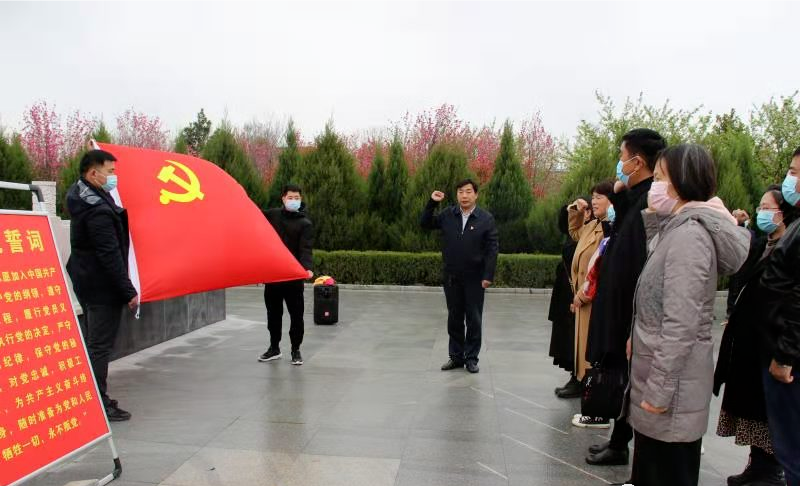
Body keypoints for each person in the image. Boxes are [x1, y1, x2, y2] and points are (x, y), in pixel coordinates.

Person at [627, 143, 749, 486]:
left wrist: (659, 390)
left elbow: (681, 323)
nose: (654, 185)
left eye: (660, 178)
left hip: (673, 392)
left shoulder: (690, 237)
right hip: (662, 377)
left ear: (681, 182)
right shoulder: (677, 229)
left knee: (666, 472)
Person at [584, 128, 667, 466]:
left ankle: (621, 443)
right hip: (618, 303)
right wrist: (619, 195)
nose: (619, 164)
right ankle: (618, 440)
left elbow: (639, 260)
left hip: (629, 308)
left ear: (637, 161)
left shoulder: (650, 202)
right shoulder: (635, 198)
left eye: (622, 156)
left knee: (628, 376)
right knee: (621, 374)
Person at [714, 185, 797, 486]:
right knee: (751, 407)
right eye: (760, 207)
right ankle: (757, 464)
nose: (761, 212)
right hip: (749, 339)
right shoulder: (762, 245)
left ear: (782, 213)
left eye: (767, 207)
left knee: (768, 411)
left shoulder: (790, 247)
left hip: (772, 341)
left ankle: (771, 470)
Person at [66, 149, 138, 422]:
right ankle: (98, 402)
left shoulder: (83, 194)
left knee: (94, 343)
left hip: (87, 280)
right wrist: (128, 291)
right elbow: (109, 255)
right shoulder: (96, 210)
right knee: (99, 346)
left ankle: (91, 395)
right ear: (93, 173)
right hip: (100, 287)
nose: (113, 177)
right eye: (110, 172)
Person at [421, 179, 499, 374]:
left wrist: (488, 275)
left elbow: (492, 249)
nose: (464, 195)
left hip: (475, 278)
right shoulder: (448, 215)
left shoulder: (486, 218)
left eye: (468, 191)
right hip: (452, 277)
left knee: (474, 319)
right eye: (461, 192)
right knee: (454, 318)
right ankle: (456, 357)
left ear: (476, 195)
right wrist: (432, 203)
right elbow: (425, 223)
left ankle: (471, 358)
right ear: (457, 195)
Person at [759, 146, 800, 486]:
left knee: (793, 450)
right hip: (780, 346)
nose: (790, 180)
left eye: (796, 172)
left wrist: (785, 355)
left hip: (790, 360)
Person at [566, 183, 613, 428]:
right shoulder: (593, 225)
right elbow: (574, 232)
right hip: (582, 298)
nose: (594, 201)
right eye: (593, 197)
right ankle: (590, 404)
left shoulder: (609, 230)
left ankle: (595, 409)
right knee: (584, 354)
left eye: (600, 197)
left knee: (593, 357)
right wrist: (576, 209)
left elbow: (601, 268)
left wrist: (583, 295)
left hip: (593, 300)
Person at [258, 184, 314, 366]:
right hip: (274, 275)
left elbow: (305, 249)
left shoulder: (305, 224)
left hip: (293, 278)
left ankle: (296, 349)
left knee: (296, 315)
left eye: (297, 198)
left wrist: (307, 268)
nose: (293, 200)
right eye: (290, 197)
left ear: (300, 199)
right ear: (283, 198)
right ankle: (274, 348)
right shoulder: (273, 215)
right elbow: (253, 216)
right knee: (273, 314)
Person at [549, 204, 579, 395]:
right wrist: (569, 210)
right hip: (565, 290)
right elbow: (563, 225)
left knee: (575, 335)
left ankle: (579, 378)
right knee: (566, 334)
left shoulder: (590, 232)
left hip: (577, 292)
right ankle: (574, 376)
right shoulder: (574, 232)